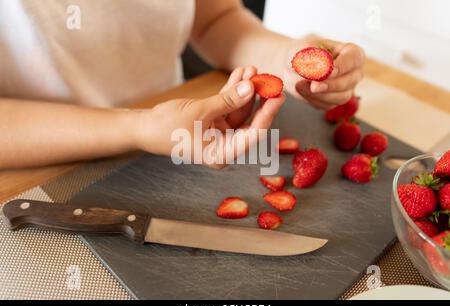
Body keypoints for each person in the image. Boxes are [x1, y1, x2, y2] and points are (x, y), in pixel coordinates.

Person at [0, 0, 365, 169]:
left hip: (175, 132)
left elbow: (214, 18)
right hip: (40, 167)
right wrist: (138, 126)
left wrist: (288, 59)